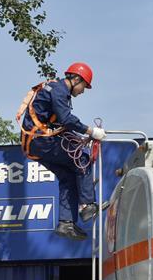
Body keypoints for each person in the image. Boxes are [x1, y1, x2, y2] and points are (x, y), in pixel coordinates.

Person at [17, 62, 106, 240]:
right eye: (84, 86)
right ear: (76, 79)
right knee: (82, 159)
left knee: (68, 177)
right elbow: (66, 119)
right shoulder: (59, 90)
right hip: (41, 141)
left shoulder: (54, 89)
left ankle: (66, 224)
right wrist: (91, 131)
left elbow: (58, 123)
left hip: (37, 143)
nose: (83, 91)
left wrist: (79, 137)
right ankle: (87, 204)